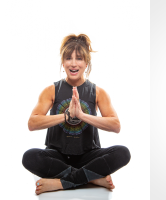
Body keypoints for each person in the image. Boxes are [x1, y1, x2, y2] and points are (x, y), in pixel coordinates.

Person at [22, 34, 131, 195]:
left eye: (79, 59)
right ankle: (91, 178)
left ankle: (62, 182)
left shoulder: (98, 92)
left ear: (86, 63)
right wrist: (67, 116)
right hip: (57, 156)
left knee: (123, 153)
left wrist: (81, 115)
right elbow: (32, 123)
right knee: (29, 157)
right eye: (68, 58)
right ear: (63, 62)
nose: (73, 64)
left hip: (88, 156)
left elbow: (116, 125)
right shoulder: (52, 90)